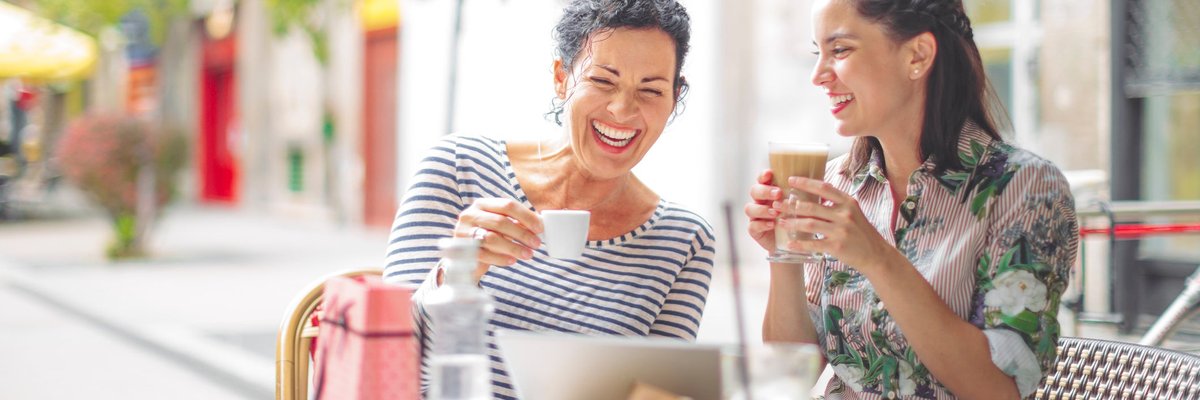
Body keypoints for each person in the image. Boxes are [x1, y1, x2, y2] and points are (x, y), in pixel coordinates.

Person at [744, 0, 1078, 398]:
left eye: (840, 50)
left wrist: (878, 258)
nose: (818, 76)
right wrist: (785, 253)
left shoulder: (1024, 188)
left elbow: (997, 390)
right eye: (818, 53)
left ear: (917, 55)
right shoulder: (838, 184)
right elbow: (790, 373)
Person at [383, 0, 715, 398]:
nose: (623, 110)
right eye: (603, 81)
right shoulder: (459, 167)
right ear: (562, 78)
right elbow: (385, 348)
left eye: (651, 90)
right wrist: (454, 275)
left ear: (674, 98)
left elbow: (660, 391)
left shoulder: (685, 240)